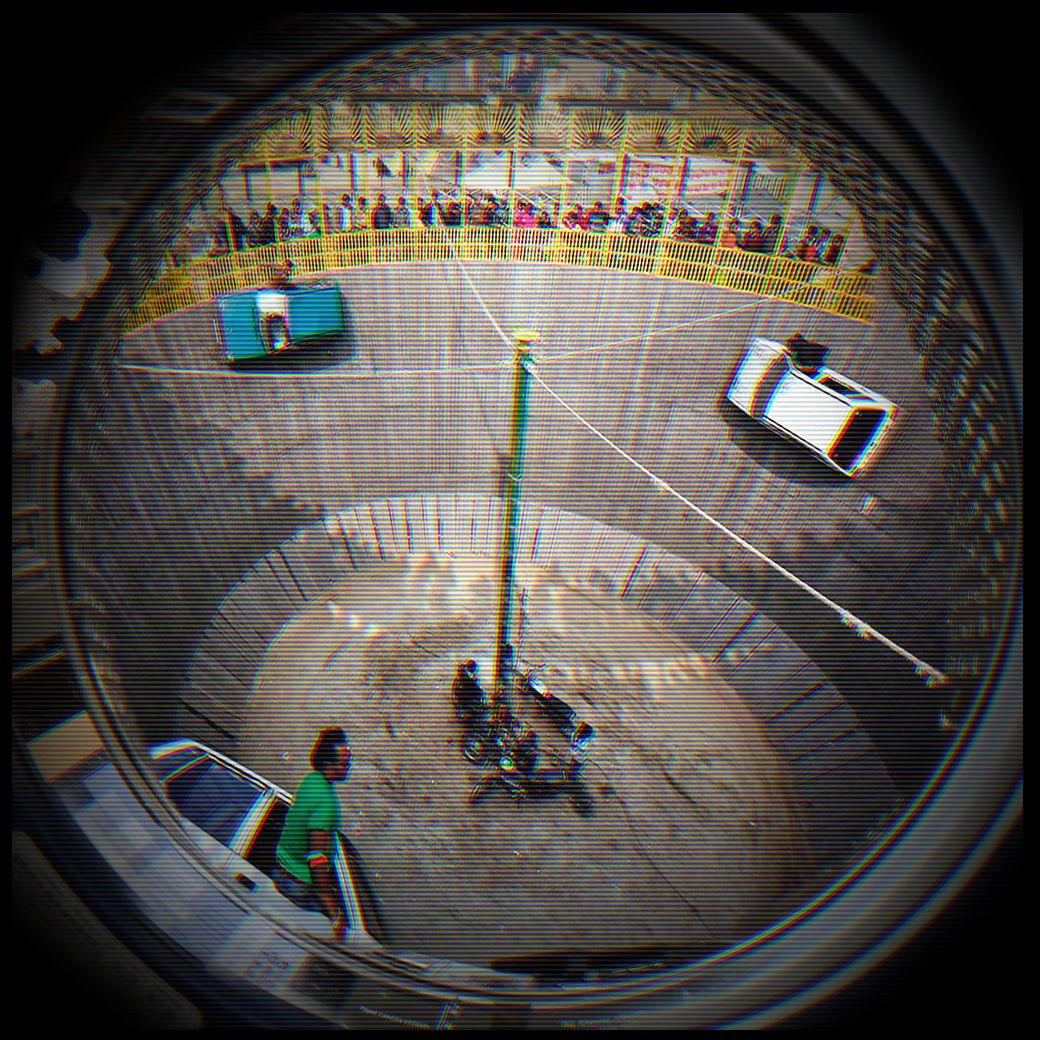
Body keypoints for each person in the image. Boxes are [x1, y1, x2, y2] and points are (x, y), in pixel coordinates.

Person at [273, 727, 353, 942]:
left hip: (280, 871)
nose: (349, 767)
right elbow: (316, 856)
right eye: (344, 763)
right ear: (329, 765)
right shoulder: (327, 804)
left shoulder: (310, 780)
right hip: (298, 885)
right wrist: (331, 905)